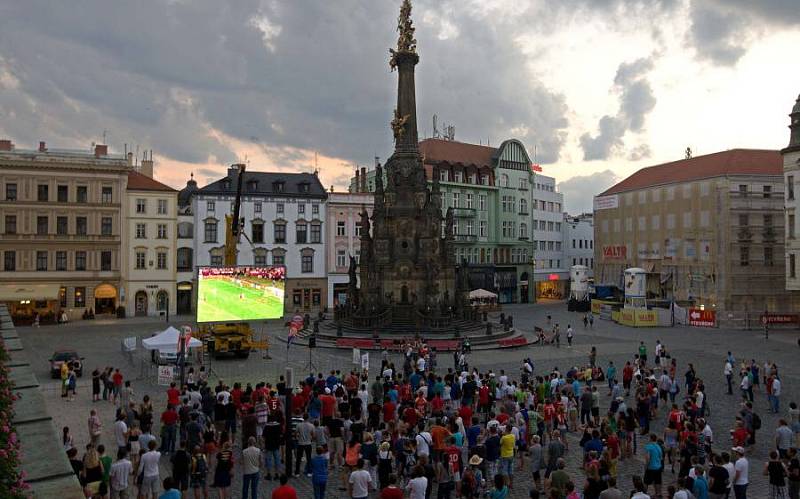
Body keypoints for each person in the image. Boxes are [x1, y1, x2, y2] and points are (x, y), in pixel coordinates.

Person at [643, 433, 663, 498]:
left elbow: (648, 459)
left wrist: (646, 467)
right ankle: (658, 494)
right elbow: (661, 457)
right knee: (657, 481)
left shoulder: (648, 447)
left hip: (651, 467)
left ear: (651, 439)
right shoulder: (658, 446)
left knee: (646, 481)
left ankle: (643, 494)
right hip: (658, 467)